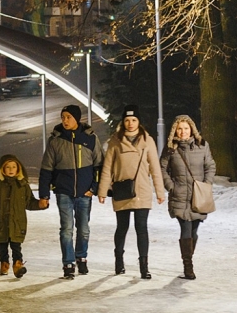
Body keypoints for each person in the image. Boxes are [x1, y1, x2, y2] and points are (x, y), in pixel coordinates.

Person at [97, 105, 165, 279]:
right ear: (123, 122)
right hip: (122, 191)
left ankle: (144, 266)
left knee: (141, 228)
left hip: (142, 190)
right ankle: (119, 260)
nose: (130, 123)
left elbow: (155, 168)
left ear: (139, 122)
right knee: (122, 227)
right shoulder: (115, 141)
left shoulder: (147, 141)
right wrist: (103, 190)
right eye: (127, 120)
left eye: (134, 120)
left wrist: (159, 191)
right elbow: (107, 167)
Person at [38, 104, 103, 279]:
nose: (65, 121)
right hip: (64, 192)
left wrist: (94, 189)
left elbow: (99, 166)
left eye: (69, 117)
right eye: (63, 117)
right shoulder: (55, 141)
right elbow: (46, 170)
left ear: (77, 119)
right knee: (66, 229)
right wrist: (44, 194)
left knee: (83, 229)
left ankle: (81, 258)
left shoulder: (90, 138)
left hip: (84, 193)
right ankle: (68, 262)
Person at [160, 115, 216, 280]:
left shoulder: (202, 145)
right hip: (180, 196)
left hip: (198, 196)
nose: (183, 132)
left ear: (191, 129)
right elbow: (162, 168)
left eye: (186, 128)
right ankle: (188, 267)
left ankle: (188, 257)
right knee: (186, 228)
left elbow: (210, 166)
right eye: (179, 128)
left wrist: (206, 184)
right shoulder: (170, 148)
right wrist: (171, 186)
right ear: (175, 130)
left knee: (194, 231)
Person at [0, 154, 44, 278]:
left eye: (13, 167)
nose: (11, 170)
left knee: (16, 245)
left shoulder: (22, 185)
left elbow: (29, 202)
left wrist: (40, 204)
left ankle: (18, 265)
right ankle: (4, 263)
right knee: (3, 244)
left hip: (17, 221)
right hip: (1, 222)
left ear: (18, 169)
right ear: (2, 169)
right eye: (8, 167)